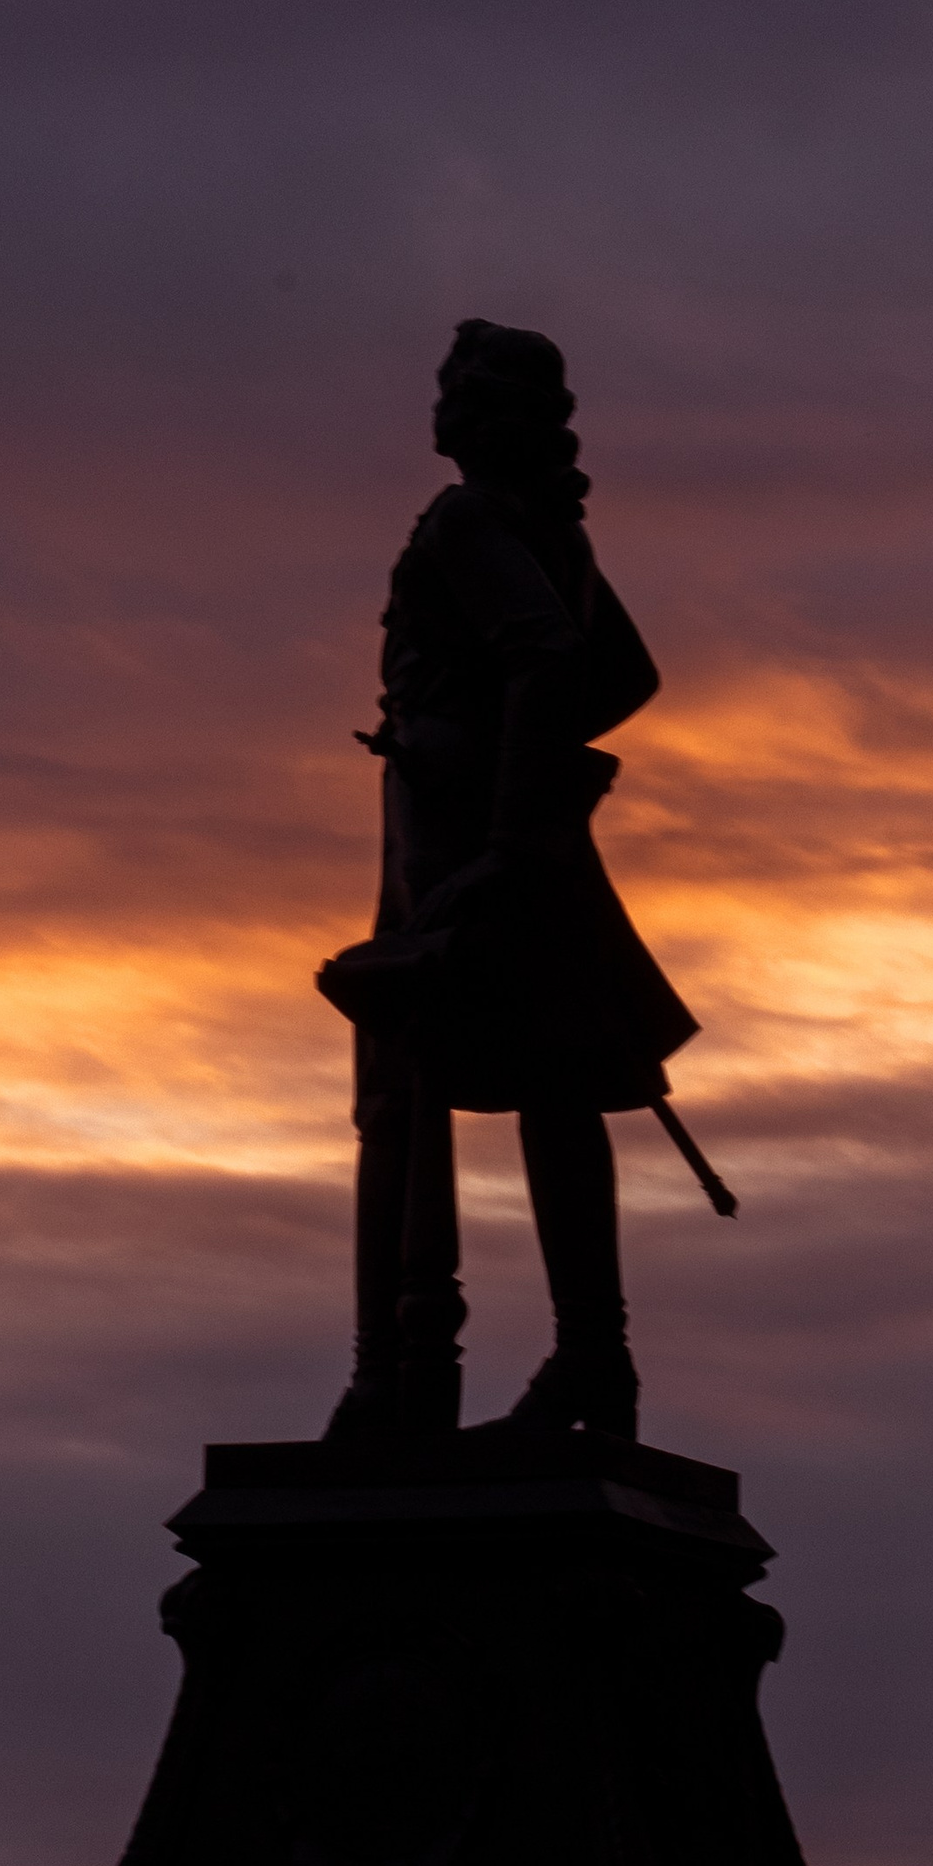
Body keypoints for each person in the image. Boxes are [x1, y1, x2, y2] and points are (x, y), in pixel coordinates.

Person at [318, 320, 697, 1445]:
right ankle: (590, 1361)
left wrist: (495, 789)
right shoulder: (546, 532)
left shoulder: (469, 519)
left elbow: (555, 656)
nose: (444, 407)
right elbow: (620, 670)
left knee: (402, 1091)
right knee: (557, 1080)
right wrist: (520, 767)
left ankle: (394, 1376)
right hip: (502, 831)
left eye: (458, 391)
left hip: (461, 842)